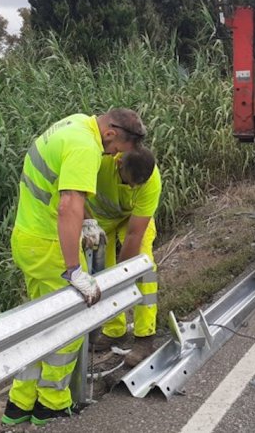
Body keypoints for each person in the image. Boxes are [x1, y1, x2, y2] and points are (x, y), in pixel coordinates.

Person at [1, 108, 147, 426]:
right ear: (110, 133)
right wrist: (73, 270)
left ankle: (20, 403)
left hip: (27, 235)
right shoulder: (86, 147)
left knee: (41, 323)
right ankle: (52, 404)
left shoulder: (76, 123)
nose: (113, 156)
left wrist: (89, 218)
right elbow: (68, 203)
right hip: (49, 244)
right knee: (70, 325)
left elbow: (64, 188)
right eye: (116, 149)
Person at [87, 146, 162, 368]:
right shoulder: (101, 162)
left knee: (143, 269)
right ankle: (114, 329)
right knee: (101, 274)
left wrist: (124, 276)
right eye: (130, 181)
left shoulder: (151, 181)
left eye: (138, 184)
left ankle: (144, 336)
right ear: (119, 164)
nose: (133, 187)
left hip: (133, 219)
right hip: (98, 221)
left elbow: (134, 234)